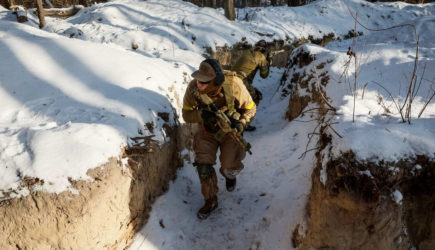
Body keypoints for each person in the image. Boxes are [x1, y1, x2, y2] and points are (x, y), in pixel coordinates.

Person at [182, 59, 256, 219]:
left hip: (230, 132)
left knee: (229, 165)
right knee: (203, 165)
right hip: (206, 130)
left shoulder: (234, 84)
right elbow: (186, 114)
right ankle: (210, 199)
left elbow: (251, 108)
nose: (199, 84)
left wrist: (241, 124)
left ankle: (229, 175)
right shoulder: (194, 88)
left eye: (204, 82)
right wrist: (201, 115)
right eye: (198, 80)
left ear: (216, 81)